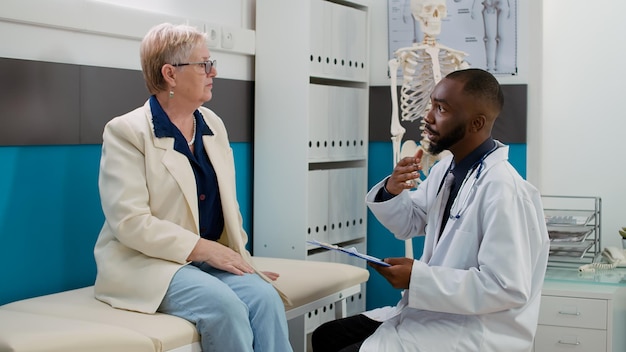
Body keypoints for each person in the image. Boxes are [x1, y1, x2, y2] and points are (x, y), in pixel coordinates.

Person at [312, 68, 549, 352]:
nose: (428, 117)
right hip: (433, 314)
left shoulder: (505, 190)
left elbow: (506, 287)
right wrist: (393, 189)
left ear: (476, 123)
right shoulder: (445, 172)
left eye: (441, 109)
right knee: (326, 336)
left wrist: (418, 277)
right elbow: (408, 224)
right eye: (431, 105)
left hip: (475, 331)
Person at [93, 23, 292, 352]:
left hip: (203, 263)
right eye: (203, 64)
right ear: (170, 74)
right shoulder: (126, 132)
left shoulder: (212, 124)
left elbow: (229, 208)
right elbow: (130, 223)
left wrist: (243, 262)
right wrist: (206, 249)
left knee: (264, 297)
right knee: (224, 307)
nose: (212, 72)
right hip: (149, 265)